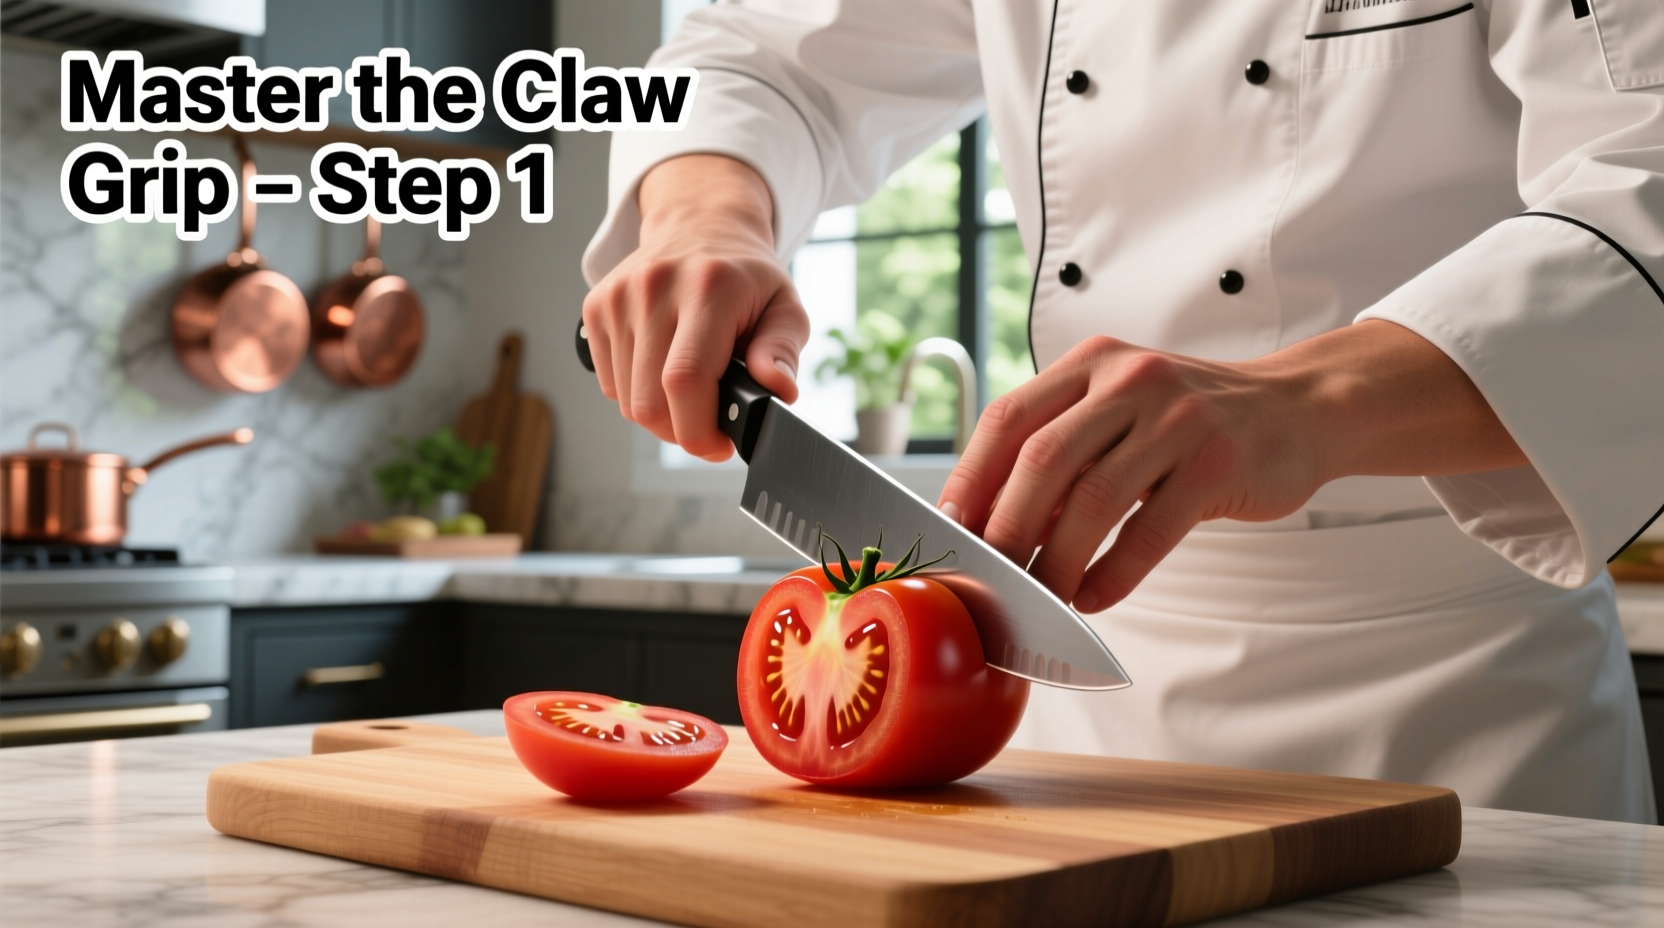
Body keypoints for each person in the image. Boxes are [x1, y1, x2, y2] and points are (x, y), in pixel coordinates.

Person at [579, 1, 1664, 823]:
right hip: (1076, 684)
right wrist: (704, 216)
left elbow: (1644, 183)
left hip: (1456, 709)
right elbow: (764, 51)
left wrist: (1311, 400)